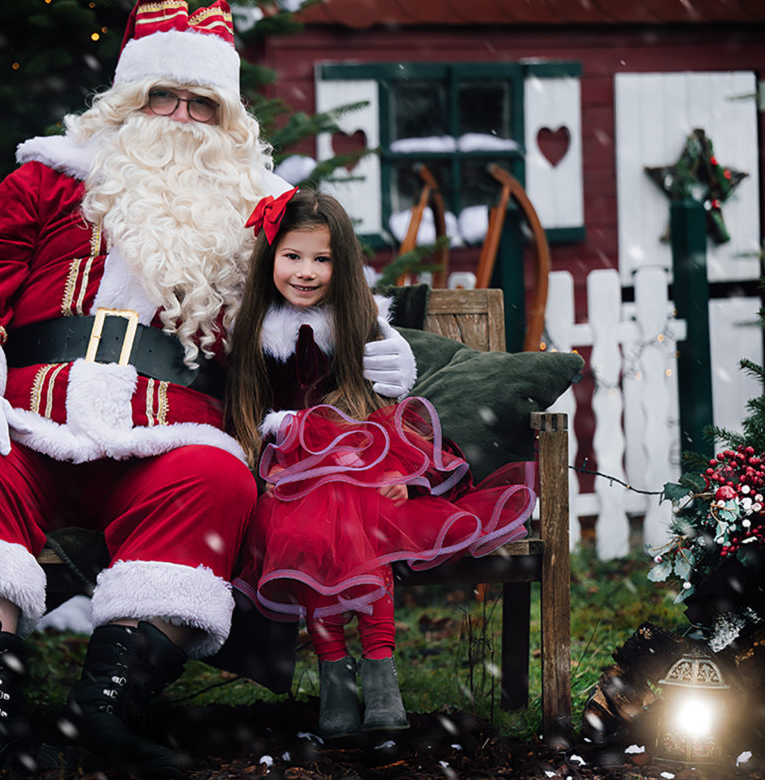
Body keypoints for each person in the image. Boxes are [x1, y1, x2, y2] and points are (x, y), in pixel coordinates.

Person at [0, 0, 417, 778]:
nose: (180, 116)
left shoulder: (262, 212)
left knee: (216, 481)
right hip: (29, 414)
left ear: (228, 117)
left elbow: (313, 296)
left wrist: (366, 343)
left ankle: (104, 715)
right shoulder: (45, 180)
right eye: (162, 96)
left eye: (201, 102)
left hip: (170, 430)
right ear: (125, 103)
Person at [226, 188, 538, 741]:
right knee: (315, 525)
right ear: (270, 258)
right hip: (283, 479)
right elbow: (250, 417)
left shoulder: (359, 324)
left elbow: (383, 412)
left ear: (341, 265)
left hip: (360, 465)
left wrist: (394, 473)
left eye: (321, 259)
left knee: (345, 512)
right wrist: (283, 438)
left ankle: (378, 672)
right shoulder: (254, 331)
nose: (305, 272)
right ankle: (334, 671)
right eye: (292, 257)